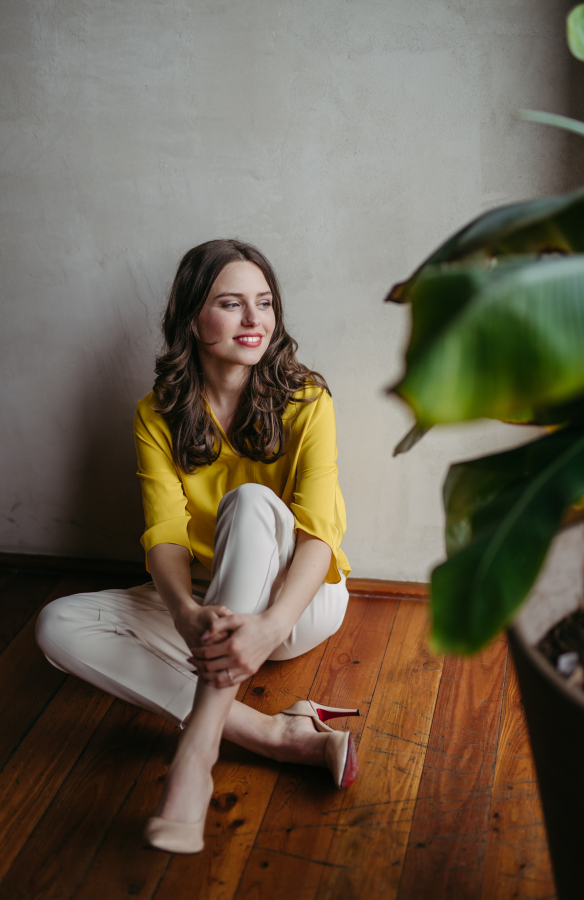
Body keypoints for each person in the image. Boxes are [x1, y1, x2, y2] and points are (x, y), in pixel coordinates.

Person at [35, 239, 357, 855]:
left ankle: (197, 756)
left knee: (253, 502)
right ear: (191, 318)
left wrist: (268, 627)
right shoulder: (155, 414)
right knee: (57, 624)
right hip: (213, 598)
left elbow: (319, 533)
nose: (255, 320)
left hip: (301, 603)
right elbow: (164, 534)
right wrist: (185, 614)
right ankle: (276, 735)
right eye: (232, 304)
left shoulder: (308, 401)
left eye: (264, 304)